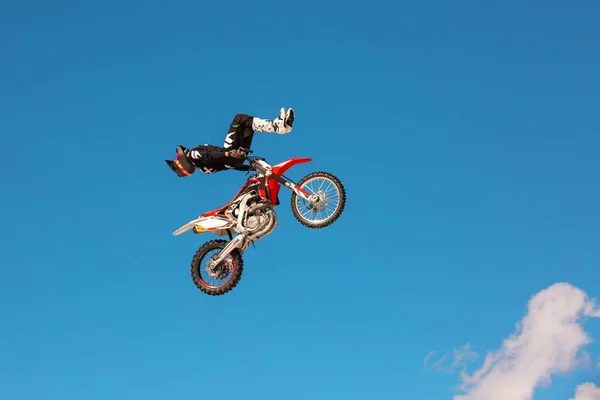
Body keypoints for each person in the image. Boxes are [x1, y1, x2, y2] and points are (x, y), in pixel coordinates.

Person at [166, 108, 295, 177]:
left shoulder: (204, 170)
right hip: (231, 154)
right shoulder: (194, 155)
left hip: (236, 159)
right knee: (239, 119)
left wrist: (249, 167)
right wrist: (229, 154)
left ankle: (279, 125)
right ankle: (277, 127)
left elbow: (229, 166)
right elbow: (211, 156)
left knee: (248, 127)